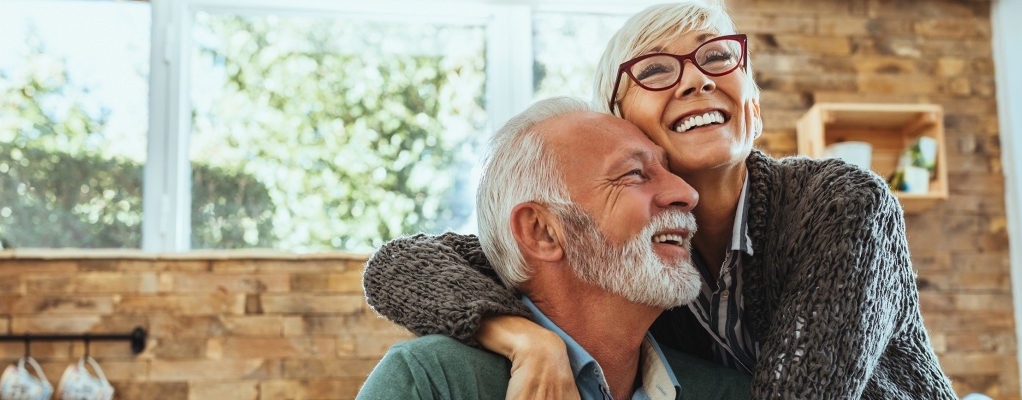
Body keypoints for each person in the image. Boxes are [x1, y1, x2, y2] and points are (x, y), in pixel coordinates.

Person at [364, 2, 958, 398]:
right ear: (622, 123)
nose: (697, 79)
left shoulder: (840, 204)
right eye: (654, 70)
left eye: (718, 56)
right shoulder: (636, 255)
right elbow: (402, 266)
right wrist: (524, 337)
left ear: (753, 102)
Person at [358, 97, 751, 399]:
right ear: (542, 232)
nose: (686, 192)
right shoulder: (431, 381)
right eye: (634, 174)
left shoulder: (728, 393)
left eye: (670, 171)